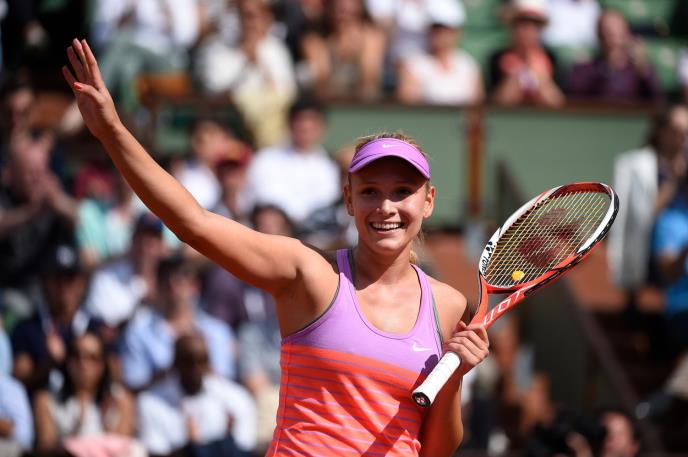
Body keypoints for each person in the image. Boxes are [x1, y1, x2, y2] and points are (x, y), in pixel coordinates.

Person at [63, 37, 490, 456]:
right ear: (348, 200)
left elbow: (435, 450)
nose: (386, 207)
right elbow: (194, 223)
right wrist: (112, 131)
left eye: (402, 191)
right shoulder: (308, 273)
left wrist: (454, 375)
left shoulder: (447, 305)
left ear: (428, 202)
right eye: (369, 192)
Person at [119, 255, 236, 391]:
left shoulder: (218, 332)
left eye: (180, 280)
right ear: (158, 286)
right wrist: (174, 372)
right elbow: (134, 386)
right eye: (166, 282)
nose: (173, 288)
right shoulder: (138, 334)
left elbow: (226, 382)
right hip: (160, 402)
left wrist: (197, 367)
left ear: (195, 286)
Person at [608, 105, 688, 291]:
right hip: (648, 259)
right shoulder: (638, 167)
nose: (683, 138)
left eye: (686, 132)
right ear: (661, 132)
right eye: (677, 131)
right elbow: (644, 216)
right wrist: (674, 180)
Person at [137, 333, 256, 457]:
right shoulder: (150, 402)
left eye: (201, 361)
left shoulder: (235, 398)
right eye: (188, 361)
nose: (195, 369)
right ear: (175, 362)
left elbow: (245, 448)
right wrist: (191, 449)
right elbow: (155, 452)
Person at [32, 331, 140, 457]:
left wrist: (107, 423)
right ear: (67, 361)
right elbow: (45, 447)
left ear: (102, 365)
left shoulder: (121, 400)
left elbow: (121, 447)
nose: (83, 363)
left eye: (92, 357)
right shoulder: (45, 399)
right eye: (76, 355)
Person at [243, 96, 340, 225]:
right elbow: (262, 200)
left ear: (322, 128)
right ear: (289, 124)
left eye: (312, 123)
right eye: (300, 122)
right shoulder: (265, 159)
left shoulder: (330, 167)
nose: (306, 128)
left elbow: (327, 206)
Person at [396, 0, 483, 106]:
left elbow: (477, 104)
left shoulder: (468, 64)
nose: (441, 35)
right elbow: (408, 104)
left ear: (457, 32)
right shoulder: (414, 64)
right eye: (436, 29)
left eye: (446, 30)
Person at [567, 9, 661, 104]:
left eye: (619, 33)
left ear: (628, 34)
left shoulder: (639, 71)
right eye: (608, 32)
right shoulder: (585, 70)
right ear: (599, 36)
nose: (614, 38)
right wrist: (609, 68)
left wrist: (644, 71)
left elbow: (657, 101)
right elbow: (576, 99)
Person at [489, 0, 565, 107]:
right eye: (522, 24)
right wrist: (516, 74)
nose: (528, 30)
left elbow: (557, 103)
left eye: (535, 25)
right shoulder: (497, 58)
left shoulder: (552, 58)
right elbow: (499, 103)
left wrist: (540, 75)